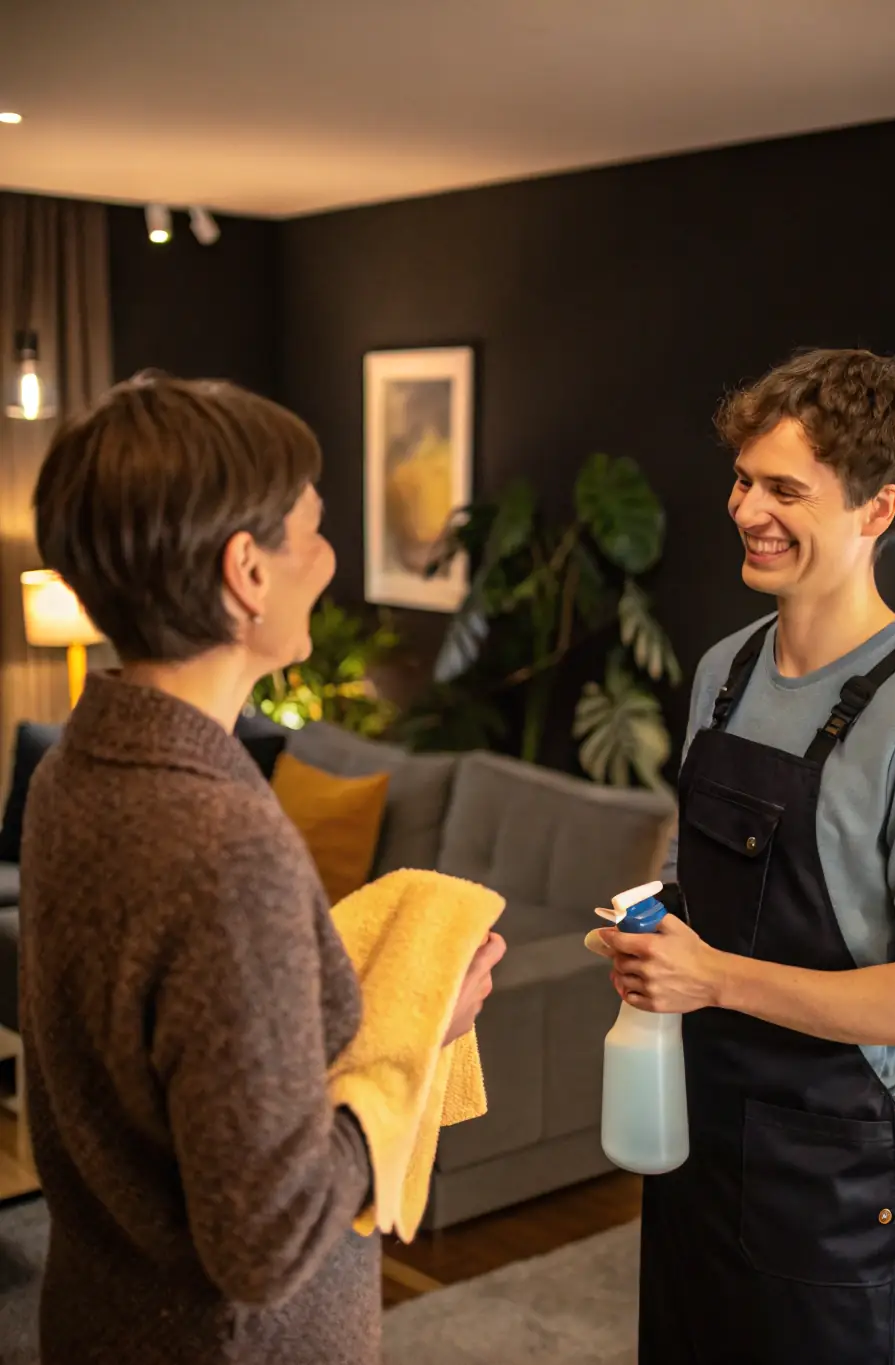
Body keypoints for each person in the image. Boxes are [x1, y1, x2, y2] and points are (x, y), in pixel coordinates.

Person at [19, 374, 506, 1365]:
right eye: (315, 531)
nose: (328, 560)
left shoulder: (71, 771)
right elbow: (266, 1239)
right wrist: (418, 1038)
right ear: (246, 571)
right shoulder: (225, 847)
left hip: (100, 1320)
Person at [598, 348, 895, 1365]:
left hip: (822, 1174)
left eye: (785, 490)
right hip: (693, 1130)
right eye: (744, 479)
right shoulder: (724, 670)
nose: (747, 509)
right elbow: (699, 875)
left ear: (878, 508)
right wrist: (653, 932)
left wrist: (714, 977)